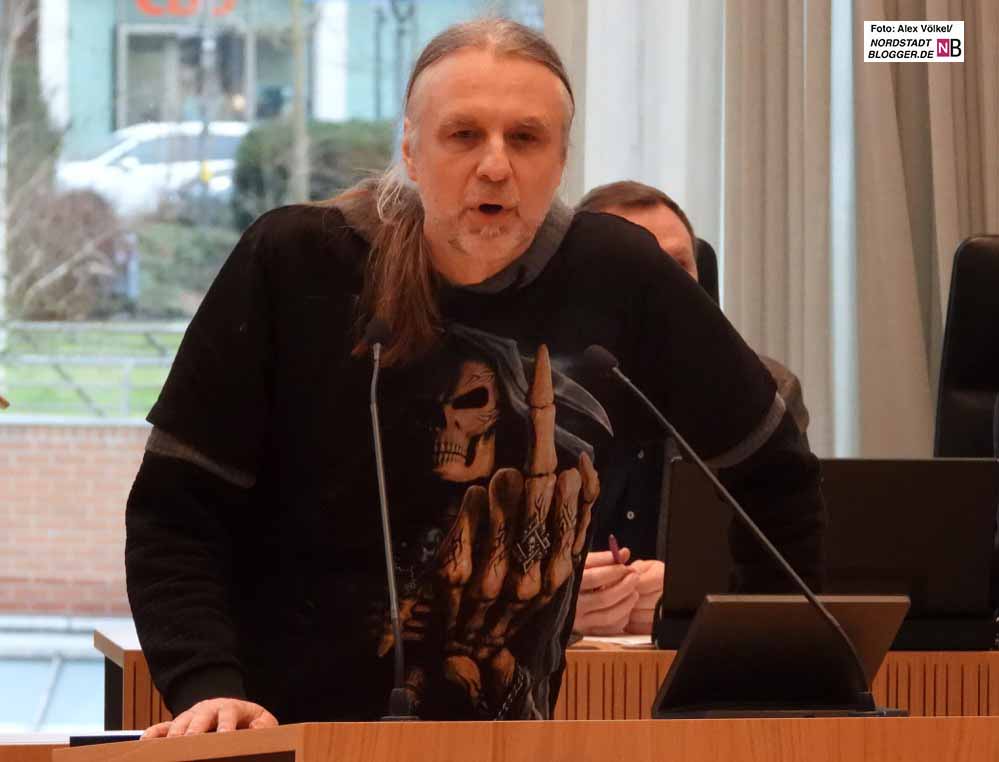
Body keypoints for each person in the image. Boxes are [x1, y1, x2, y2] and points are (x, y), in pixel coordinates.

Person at [126, 19, 826, 736]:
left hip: (510, 740)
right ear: (411, 149)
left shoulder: (620, 273)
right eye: (463, 135)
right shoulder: (297, 260)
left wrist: (748, 679)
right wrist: (206, 687)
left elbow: (775, 476)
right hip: (284, 734)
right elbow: (174, 513)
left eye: (525, 138)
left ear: (561, 160)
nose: (495, 166)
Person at [571, 180, 812, 635]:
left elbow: (787, 559)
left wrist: (692, 593)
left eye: (680, 265)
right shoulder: (527, 393)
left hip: (698, 654)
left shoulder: (761, 393)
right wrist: (555, 609)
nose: (667, 286)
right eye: (640, 267)